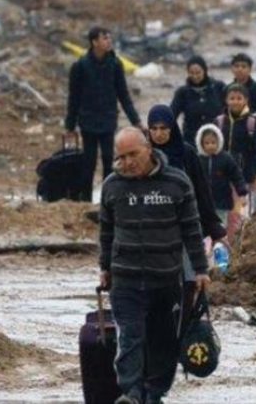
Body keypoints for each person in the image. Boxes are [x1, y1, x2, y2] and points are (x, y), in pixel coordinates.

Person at [99, 127, 210, 404]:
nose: (128, 162)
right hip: (126, 278)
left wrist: (200, 269)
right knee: (130, 338)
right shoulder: (112, 185)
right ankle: (132, 394)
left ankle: (155, 392)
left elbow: (191, 230)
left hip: (165, 278)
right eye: (121, 157)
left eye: (133, 154)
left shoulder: (177, 182)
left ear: (147, 147)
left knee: (162, 341)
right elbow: (106, 230)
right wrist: (104, 267)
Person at [65, 26, 141, 201]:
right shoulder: (80, 66)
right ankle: (85, 199)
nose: (109, 41)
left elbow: (123, 94)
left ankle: (108, 199)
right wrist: (70, 125)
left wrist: (136, 120)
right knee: (88, 162)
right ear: (94, 42)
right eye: (105, 38)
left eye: (109, 38)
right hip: (88, 121)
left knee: (109, 160)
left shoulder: (115, 64)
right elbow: (73, 98)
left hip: (108, 120)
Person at [146, 105, 225, 243]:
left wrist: (214, 228)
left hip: (184, 225)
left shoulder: (187, 153)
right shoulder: (144, 155)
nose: (158, 134)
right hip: (152, 229)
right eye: (154, 128)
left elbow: (201, 191)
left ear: (172, 127)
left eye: (163, 128)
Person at [215, 83, 256, 214]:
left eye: (239, 98)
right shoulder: (219, 122)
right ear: (226, 100)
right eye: (232, 98)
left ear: (246, 100)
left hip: (248, 174)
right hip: (224, 175)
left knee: (251, 212)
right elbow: (213, 149)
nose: (235, 102)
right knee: (228, 211)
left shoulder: (253, 122)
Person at [196, 123, 249, 242]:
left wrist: (242, 193)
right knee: (203, 232)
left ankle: (219, 253)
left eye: (213, 143)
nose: (210, 146)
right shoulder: (197, 160)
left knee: (220, 231)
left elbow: (237, 176)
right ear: (201, 144)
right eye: (207, 143)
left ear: (219, 142)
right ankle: (205, 255)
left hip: (222, 203)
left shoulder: (225, 159)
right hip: (202, 205)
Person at [169, 55, 226, 146]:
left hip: (216, 140)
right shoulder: (182, 92)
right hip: (191, 141)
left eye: (198, 72)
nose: (195, 76)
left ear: (205, 71)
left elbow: (231, 109)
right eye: (191, 73)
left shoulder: (218, 87)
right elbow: (171, 115)